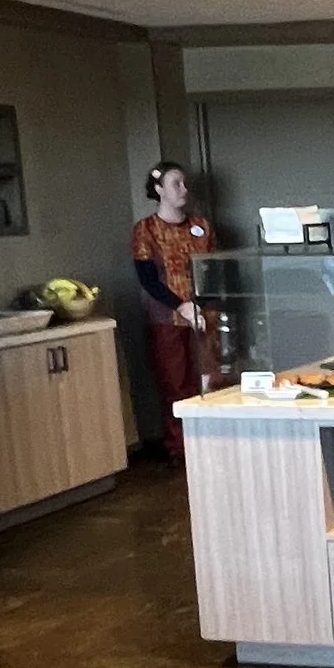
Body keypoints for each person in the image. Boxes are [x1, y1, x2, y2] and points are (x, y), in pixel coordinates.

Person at [132, 162, 214, 460]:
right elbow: (147, 279)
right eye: (176, 184)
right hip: (166, 318)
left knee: (211, 378)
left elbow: (214, 269)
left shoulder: (202, 226)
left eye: (184, 183)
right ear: (159, 190)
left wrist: (202, 305)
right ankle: (181, 449)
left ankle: (214, 444)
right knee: (175, 383)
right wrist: (181, 305)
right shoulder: (146, 230)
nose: (184, 189)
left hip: (204, 315)